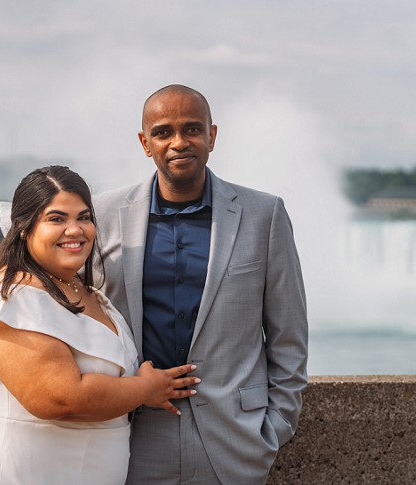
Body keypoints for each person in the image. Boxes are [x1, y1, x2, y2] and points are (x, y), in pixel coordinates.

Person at [95, 84, 308, 484]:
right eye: (163, 132)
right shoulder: (103, 213)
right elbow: (53, 291)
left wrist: (275, 426)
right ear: (145, 143)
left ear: (212, 136)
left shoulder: (265, 214)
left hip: (235, 438)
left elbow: (289, 335)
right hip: (134, 435)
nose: (179, 142)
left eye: (192, 129)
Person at [0, 166, 199, 485]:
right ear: (23, 227)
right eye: (57, 219)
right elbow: (60, 397)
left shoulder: (91, 295)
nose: (75, 229)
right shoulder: (11, 297)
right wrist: (146, 388)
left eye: (84, 217)